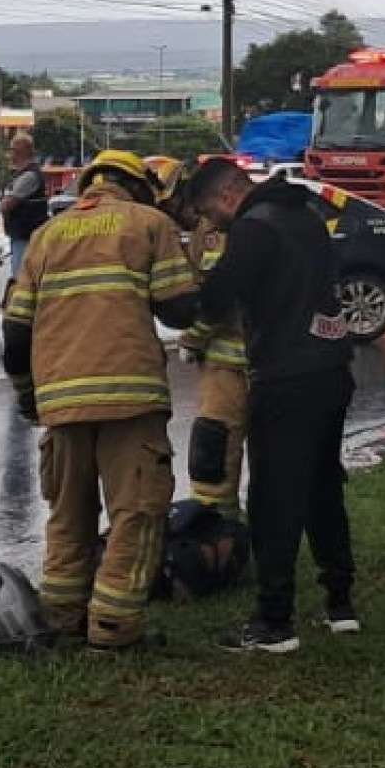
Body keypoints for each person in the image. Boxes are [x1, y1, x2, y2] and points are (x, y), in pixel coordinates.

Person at [1, 148, 200, 651]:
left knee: (68, 515)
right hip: (130, 398)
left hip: (60, 402)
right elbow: (179, 310)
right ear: (137, 187)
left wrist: (30, 397)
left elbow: (15, 330)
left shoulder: (47, 235)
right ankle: (113, 630)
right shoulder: (147, 223)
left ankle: (63, 617)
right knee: (136, 513)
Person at [185, 157, 362, 655]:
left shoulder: (254, 228)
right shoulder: (305, 214)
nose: (209, 224)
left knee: (274, 500)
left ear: (225, 196)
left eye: (206, 212)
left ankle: (274, 622)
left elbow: (217, 298)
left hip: (285, 378)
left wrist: (184, 303)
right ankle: (340, 603)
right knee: (324, 488)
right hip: (333, 369)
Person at [164, 158, 252, 519]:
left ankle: (237, 534)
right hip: (233, 364)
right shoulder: (208, 228)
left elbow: (221, 294)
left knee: (225, 447)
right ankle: (218, 532)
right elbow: (202, 283)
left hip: (243, 361)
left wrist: (193, 338)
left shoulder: (248, 227)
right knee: (216, 453)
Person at [0, 132, 49, 281]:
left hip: (25, 235)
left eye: (13, 150)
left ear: (21, 152)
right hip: (23, 234)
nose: (10, 154)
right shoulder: (23, 175)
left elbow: (7, 205)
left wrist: (4, 203)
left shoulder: (29, 176)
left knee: (20, 278)